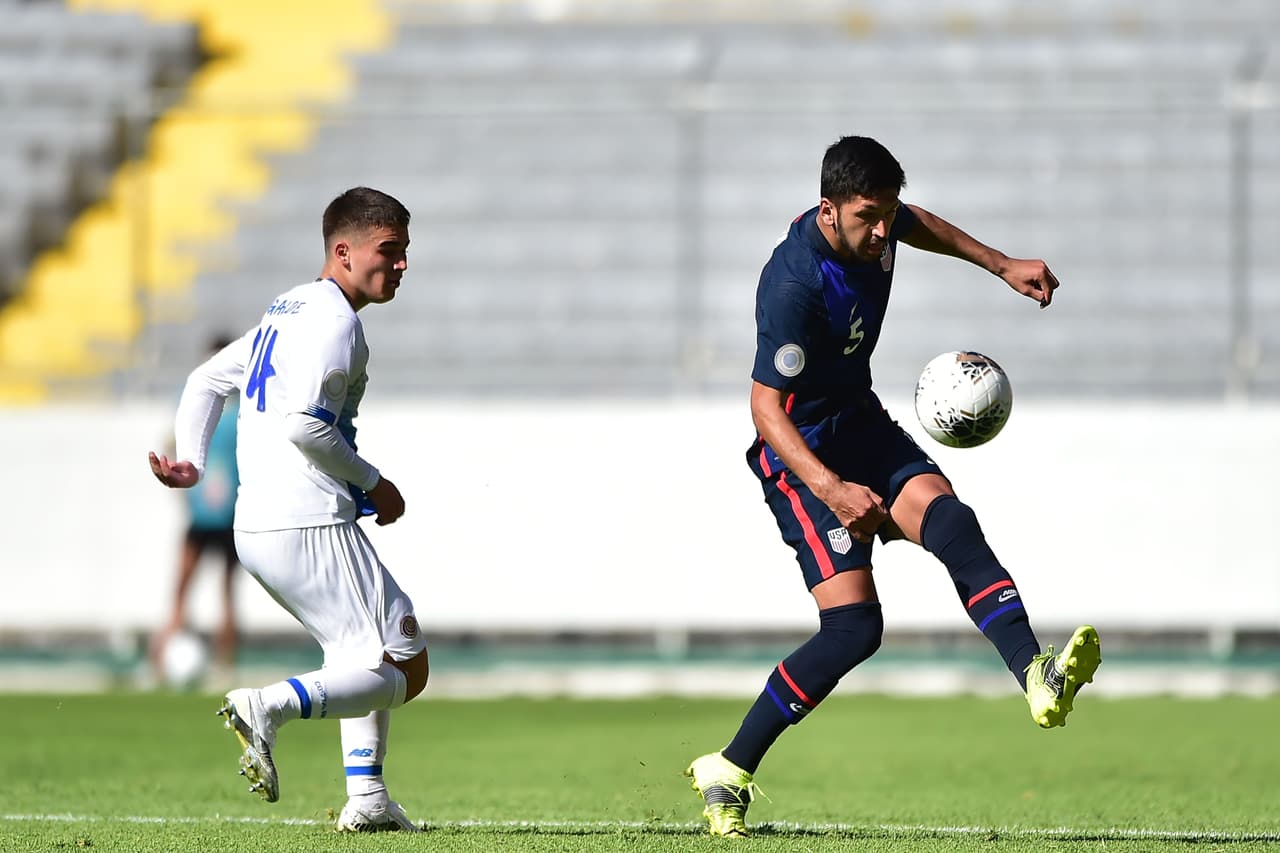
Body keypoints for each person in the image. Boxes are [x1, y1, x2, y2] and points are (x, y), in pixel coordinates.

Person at [683, 136, 1102, 837]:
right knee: (855, 629)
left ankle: (1036, 673)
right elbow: (764, 409)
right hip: (802, 457)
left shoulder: (879, 224)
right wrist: (833, 490)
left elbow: (919, 223)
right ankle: (729, 766)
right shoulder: (794, 285)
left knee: (952, 520)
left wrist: (1001, 265)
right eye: (868, 218)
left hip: (860, 423)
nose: (883, 232)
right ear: (828, 210)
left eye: (887, 215)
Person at [148, 187, 428, 833]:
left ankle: (368, 799)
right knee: (404, 666)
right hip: (307, 519)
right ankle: (266, 705)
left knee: (358, 650)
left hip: (259, 524)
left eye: (406, 251)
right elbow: (306, 425)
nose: (402, 264)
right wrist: (375, 482)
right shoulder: (337, 323)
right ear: (344, 251)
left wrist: (192, 460)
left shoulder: (290, 307)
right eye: (390, 249)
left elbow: (205, 380)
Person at [150, 335, 241, 684]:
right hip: (228, 515)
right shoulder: (243, 410)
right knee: (223, 592)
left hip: (208, 515)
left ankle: (162, 662)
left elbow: (171, 443)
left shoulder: (198, 401)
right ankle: (224, 664)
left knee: (186, 590)